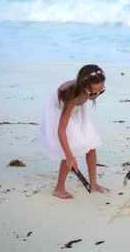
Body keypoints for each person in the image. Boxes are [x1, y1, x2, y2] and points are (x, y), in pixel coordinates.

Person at [37, 64, 110, 199]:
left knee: (91, 144)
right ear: (83, 88)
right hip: (60, 109)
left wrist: (91, 94)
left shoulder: (88, 91)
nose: (96, 96)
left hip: (76, 108)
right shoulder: (72, 97)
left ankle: (93, 183)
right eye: (93, 93)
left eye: (100, 92)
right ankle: (59, 188)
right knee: (70, 148)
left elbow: (89, 94)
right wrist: (70, 156)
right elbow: (61, 130)